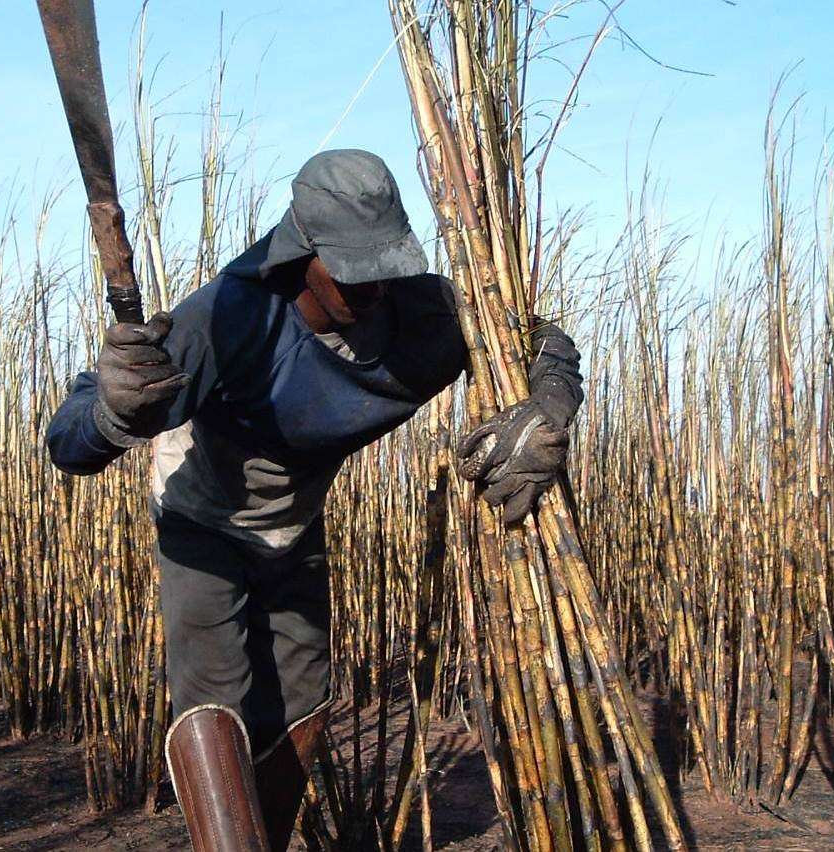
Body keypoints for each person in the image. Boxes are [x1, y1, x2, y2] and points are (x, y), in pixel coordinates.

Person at [46, 149, 583, 852]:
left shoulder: (427, 317)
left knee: (302, 702)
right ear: (303, 255)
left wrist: (549, 405)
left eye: (387, 267)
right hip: (202, 514)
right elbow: (70, 440)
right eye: (354, 272)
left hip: (295, 521)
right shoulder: (231, 318)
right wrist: (115, 411)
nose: (375, 289)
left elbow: (541, 341)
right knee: (215, 698)